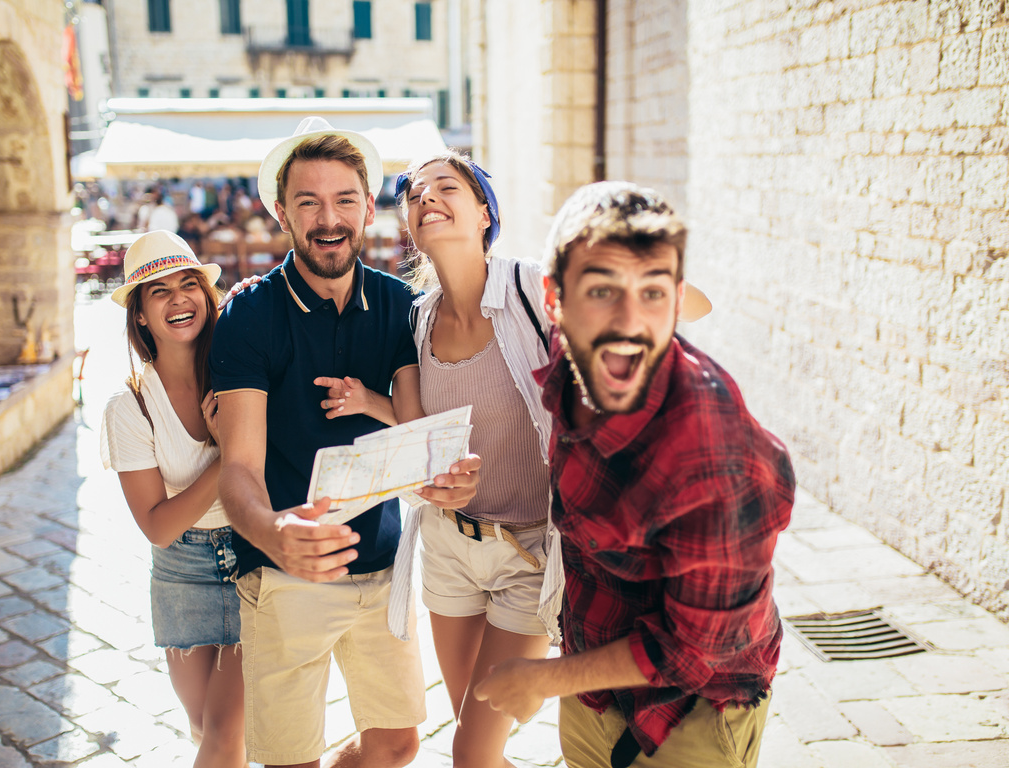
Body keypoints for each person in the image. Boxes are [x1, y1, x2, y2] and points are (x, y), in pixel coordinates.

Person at [473, 182, 794, 768]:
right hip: (595, 690)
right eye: (602, 291)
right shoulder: (574, 361)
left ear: (675, 302)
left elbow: (693, 649)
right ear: (555, 301)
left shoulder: (711, 455)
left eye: (652, 294)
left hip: (692, 713)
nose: (628, 322)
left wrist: (543, 679)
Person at [209, 117, 481, 768]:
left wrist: (444, 478)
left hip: (383, 569)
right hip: (283, 571)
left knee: (397, 743)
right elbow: (238, 469)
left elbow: (415, 434)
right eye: (308, 202)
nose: (328, 219)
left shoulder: (398, 304)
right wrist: (275, 533)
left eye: (344, 200)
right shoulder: (250, 314)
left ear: (366, 207)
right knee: (290, 760)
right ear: (281, 212)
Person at [391, 151, 556, 768]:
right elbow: (423, 430)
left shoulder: (534, 289)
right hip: (448, 551)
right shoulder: (414, 320)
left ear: (484, 212)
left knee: (470, 751)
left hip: (528, 552)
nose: (426, 196)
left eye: (446, 186)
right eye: (414, 193)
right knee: (475, 744)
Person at [99, 230, 247, 768]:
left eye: (189, 284)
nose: (178, 298)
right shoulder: (130, 406)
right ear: (139, 315)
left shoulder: (240, 368)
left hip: (256, 556)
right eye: (158, 291)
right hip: (183, 570)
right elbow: (159, 527)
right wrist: (227, 452)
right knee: (207, 729)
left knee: (228, 734)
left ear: (208, 297)